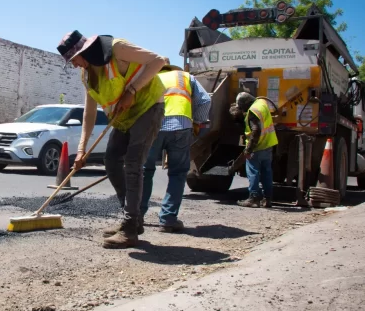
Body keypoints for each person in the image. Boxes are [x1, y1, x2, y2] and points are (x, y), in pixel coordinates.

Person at [56, 30, 167, 249]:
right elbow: (88, 113)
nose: (75, 65)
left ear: (83, 51)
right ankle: (132, 219)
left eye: (74, 60)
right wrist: (81, 150)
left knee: (133, 164)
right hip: (123, 117)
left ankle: (130, 228)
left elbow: (158, 60)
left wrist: (133, 89)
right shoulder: (87, 75)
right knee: (111, 160)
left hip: (148, 108)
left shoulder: (117, 49)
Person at [137, 64, 212, 233]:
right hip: (180, 127)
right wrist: (197, 121)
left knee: (144, 171)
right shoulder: (185, 77)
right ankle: (168, 220)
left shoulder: (150, 76)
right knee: (178, 173)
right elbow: (206, 100)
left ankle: (137, 217)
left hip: (152, 128)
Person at [230, 92, 278, 208]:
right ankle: (267, 199)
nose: (242, 109)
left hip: (257, 147)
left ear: (246, 103)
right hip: (268, 144)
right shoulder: (261, 103)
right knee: (267, 172)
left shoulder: (252, 111)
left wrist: (249, 149)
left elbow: (256, 130)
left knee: (253, 172)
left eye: (241, 107)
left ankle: (254, 198)